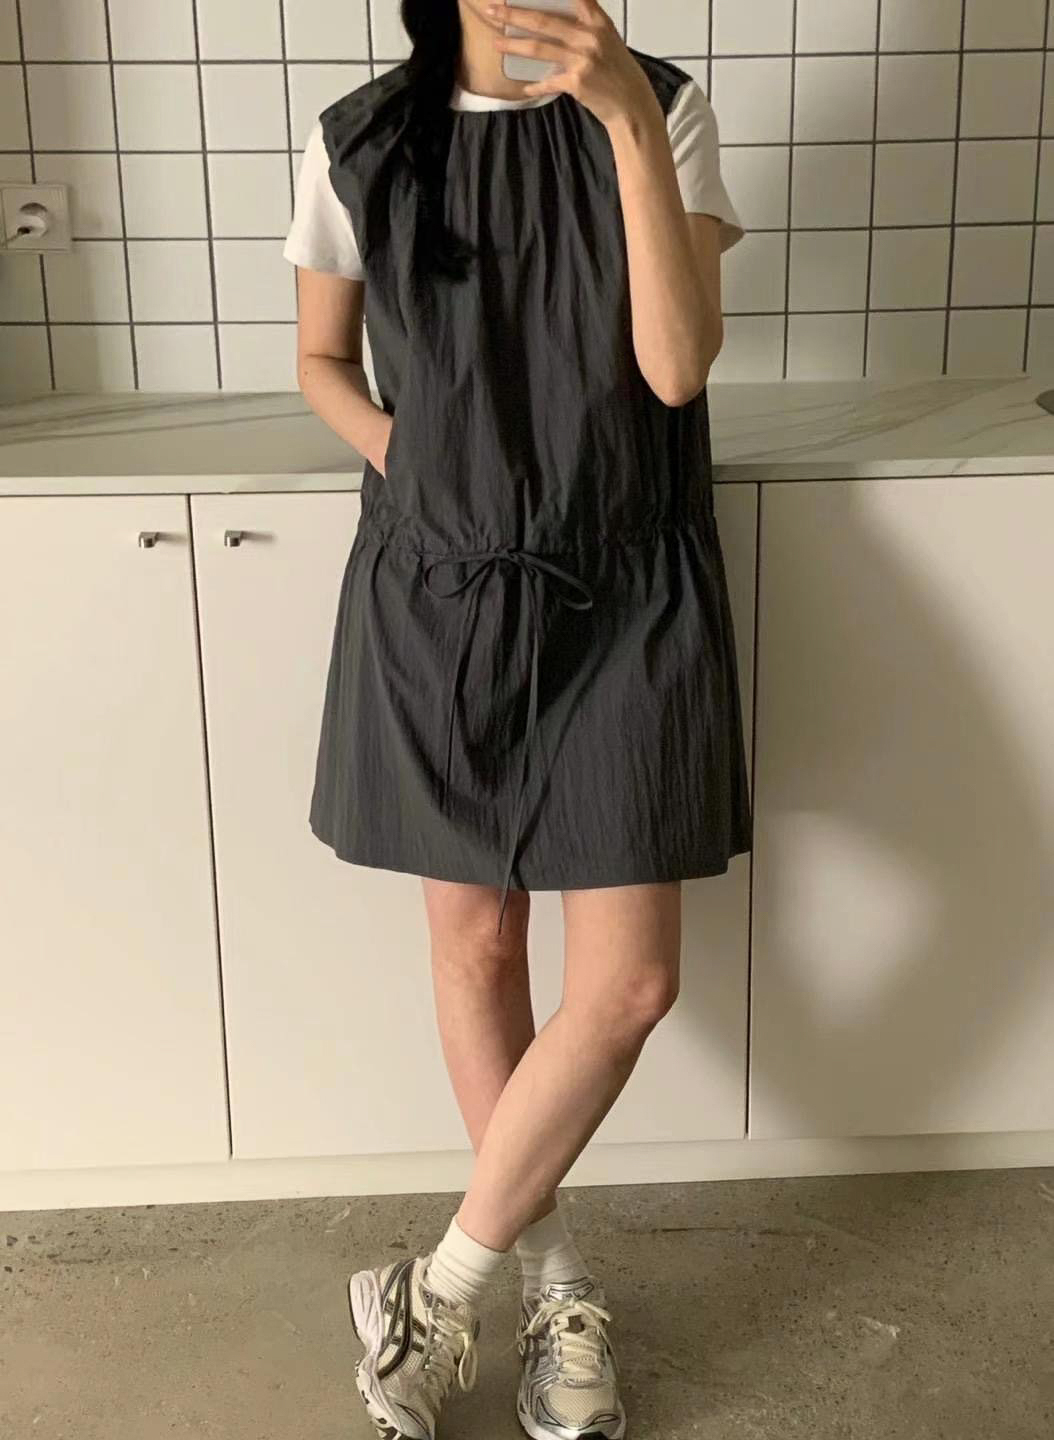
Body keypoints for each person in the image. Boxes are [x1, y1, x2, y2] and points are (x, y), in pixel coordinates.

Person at [282, 1, 751, 1436]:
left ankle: (437, 1289)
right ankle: (554, 1288)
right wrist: (419, 461)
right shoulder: (362, 138)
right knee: (478, 944)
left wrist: (621, 119)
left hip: (629, 583)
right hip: (442, 589)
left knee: (630, 985)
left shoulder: (661, 108)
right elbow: (322, 363)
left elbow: (675, 366)